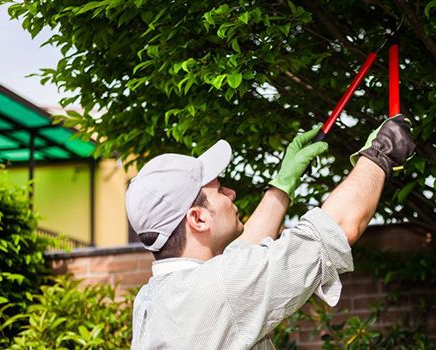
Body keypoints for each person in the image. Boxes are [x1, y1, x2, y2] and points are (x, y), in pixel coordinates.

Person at [126, 116, 415, 349]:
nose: (231, 192)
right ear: (198, 218)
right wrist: (380, 153)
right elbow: (336, 228)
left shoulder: (152, 298)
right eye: (219, 189)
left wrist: (283, 183)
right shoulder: (219, 286)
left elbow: (243, 258)